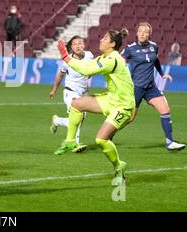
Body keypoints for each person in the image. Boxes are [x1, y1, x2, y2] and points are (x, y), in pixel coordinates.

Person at [55, 28, 134, 186]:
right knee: (76, 104)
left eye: (105, 38)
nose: (101, 40)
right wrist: (68, 59)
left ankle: (119, 167)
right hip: (112, 98)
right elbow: (87, 65)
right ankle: (70, 141)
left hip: (123, 105)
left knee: (101, 140)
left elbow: (85, 70)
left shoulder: (112, 59)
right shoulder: (105, 56)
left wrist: (65, 55)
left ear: (112, 44)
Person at [121, 22, 185, 151]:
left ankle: (170, 142)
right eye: (140, 31)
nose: (143, 33)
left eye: (146, 31)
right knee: (130, 118)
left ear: (150, 34)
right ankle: (108, 135)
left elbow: (155, 60)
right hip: (136, 88)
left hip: (151, 87)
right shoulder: (130, 48)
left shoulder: (154, 47)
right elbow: (119, 60)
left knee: (165, 110)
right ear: (137, 33)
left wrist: (162, 74)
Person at [49, 35, 94, 153]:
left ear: (83, 44)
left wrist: (89, 75)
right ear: (71, 47)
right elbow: (60, 75)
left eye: (80, 43)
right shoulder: (67, 61)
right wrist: (54, 89)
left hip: (84, 93)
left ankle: (57, 120)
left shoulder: (89, 56)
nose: (78, 46)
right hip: (70, 92)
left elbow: (92, 69)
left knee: (80, 118)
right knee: (77, 116)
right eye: (75, 44)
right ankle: (76, 144)